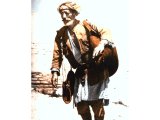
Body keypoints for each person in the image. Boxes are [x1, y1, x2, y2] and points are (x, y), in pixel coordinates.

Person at [50, 1, 115, 120]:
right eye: (61, 14)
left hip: (96, 71)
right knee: (81, 107)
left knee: (97, 107)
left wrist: (102, 44)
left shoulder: (86, 25)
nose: (64, 17)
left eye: (67, 13)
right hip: (80, 73)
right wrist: (55, 71)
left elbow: (106, 31)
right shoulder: (61, 34)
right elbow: (57, 53)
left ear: (74, 13)